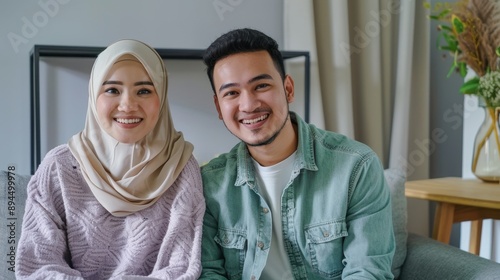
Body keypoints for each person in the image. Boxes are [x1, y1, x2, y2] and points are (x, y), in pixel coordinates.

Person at [199, 28, 395, 279]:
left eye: (261, 85)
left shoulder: (356, 167)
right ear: (219, 106)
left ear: (288, 88)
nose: (248, 105)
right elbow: (208, 272)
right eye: (232, 93)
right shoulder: (208, 184)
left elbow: (368, 271)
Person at [15, 39, 205, 279]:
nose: (127, 105)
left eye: (144, 90)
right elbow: (38, 266)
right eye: (112, 90)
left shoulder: (181, 167)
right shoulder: (59, 168)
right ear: (94, 96)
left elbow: (182, 269)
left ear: (162, 97)